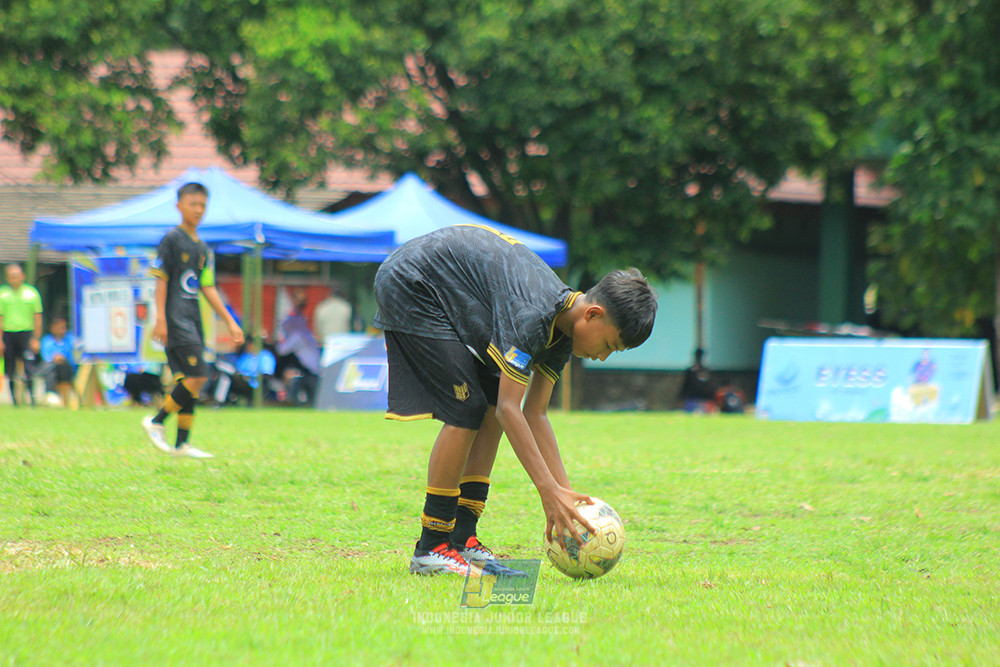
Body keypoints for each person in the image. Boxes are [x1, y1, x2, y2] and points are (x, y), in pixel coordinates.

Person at [372, 224, 657, 576]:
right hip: (411, 281)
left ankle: (463, 538)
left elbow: (535, 414)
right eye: (609, 345)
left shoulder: (562, 332)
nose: (603, 356)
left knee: (490, 400)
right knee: (468, 407)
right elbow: (513, 411)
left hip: (442, 287)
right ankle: (432, 547)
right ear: (593, 314)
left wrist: (566, 497)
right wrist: (546, 490)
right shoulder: (533, 315)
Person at [141, 182, 244, 458]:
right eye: (192, 204)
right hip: (175, 319)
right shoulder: (171, 240)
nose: (198, 210)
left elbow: (207, 287)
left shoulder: (203, 249)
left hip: (193, 319)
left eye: (202, 205)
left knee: (189, 381)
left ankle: (181, 444)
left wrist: (230, 321)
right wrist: (160, 319)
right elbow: (160, 282)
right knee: (199, 376)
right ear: (179, 206)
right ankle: (156, 421)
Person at [0, 263, 43, 406]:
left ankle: (32, 398)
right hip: (9, 334)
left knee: (29, 367)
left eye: (16, 276)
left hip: (26, 334)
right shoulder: (3, 294)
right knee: (10, 369)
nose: (14, 279)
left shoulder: (32, 293)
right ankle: (15, 401)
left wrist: (36, 338)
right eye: (11, 276)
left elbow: (37, 317)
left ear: (22, 277)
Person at [276, 290, 321, 405]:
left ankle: (289, 400)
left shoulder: (297, 336)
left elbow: (281, 350)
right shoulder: (304, 332)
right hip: (313, 372)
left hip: (310, 374)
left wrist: (278, 341)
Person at [39, 316, 78, 407]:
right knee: (52, 371)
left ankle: (50, 395)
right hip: (54, 369)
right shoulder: (46, 341)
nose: (63, 331)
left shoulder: (71, 339)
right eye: (60, 328)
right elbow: (47, 358)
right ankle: (51, 398)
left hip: (69, 369)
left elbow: (76, 354)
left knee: (62, 365)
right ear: (53, 328)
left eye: (64, 328)